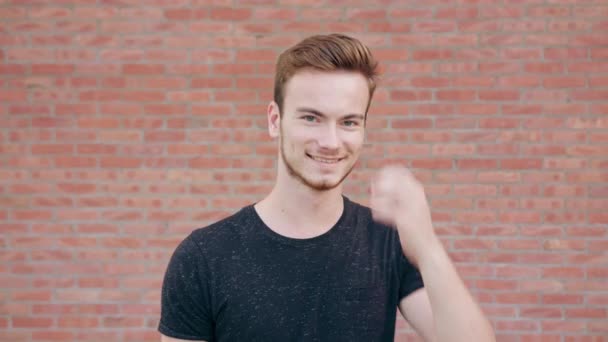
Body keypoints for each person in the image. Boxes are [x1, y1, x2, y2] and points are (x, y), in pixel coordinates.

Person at [158, 33, 496, 342]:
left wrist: (427, 247)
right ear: (275, 121)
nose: (331, 142)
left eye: (348, 122)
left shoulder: (388, 241)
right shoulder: (203, 257)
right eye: (311, 118)